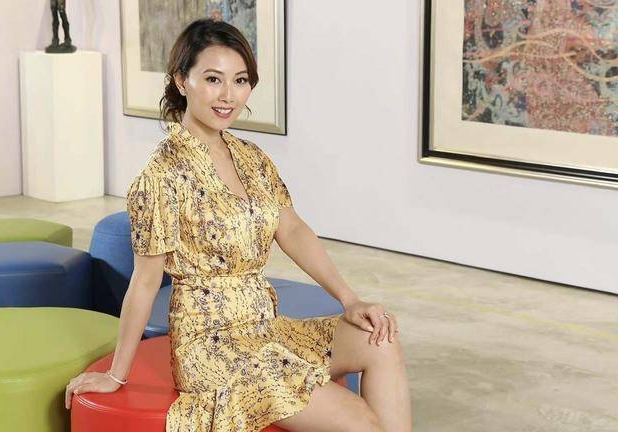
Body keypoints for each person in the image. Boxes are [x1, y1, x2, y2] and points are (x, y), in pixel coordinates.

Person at [64, 18, 412, 432]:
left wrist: (350, 300)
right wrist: (117, 374)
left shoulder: (251, 157)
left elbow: (292, 230)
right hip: (211, 347)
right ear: (182, 81)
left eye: (240, 80)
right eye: (213, 79)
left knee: (380, 338)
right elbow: (144, 281)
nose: (228, 95)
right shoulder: (161, 175)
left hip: (264, 326)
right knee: (360, 421)